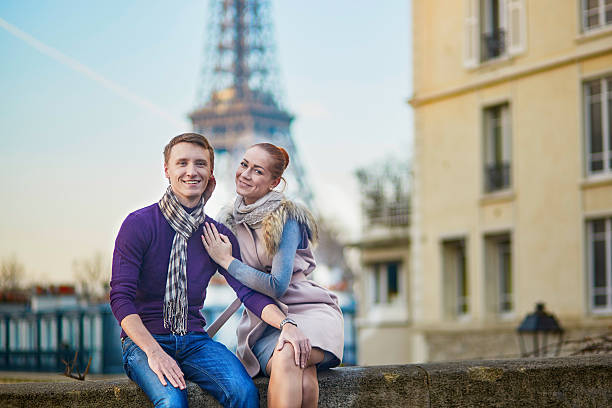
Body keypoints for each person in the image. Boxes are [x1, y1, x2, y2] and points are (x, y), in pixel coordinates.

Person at [109, 133, 311, 408]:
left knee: (244, 392)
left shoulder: (216, 235)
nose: (191, 171)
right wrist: (154, 352)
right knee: (172, 401)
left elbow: (248, 294)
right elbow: (121, 299)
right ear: (167, 170)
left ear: (210, 173)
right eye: (182, 163)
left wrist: (286, 324)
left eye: (200, 164)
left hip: (194, 340)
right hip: (144, 343)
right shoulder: (138, 225)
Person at [201, 143, 344, 408]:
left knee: (290, 353)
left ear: (274, 182)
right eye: (244, 164)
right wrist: (202, 198)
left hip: (308, 311)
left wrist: (228, 261)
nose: (245, 174)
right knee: (301, 372)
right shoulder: (227, 222)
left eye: (257, 171)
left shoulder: (285, 218)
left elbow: (277, 286)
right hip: (262, 323)